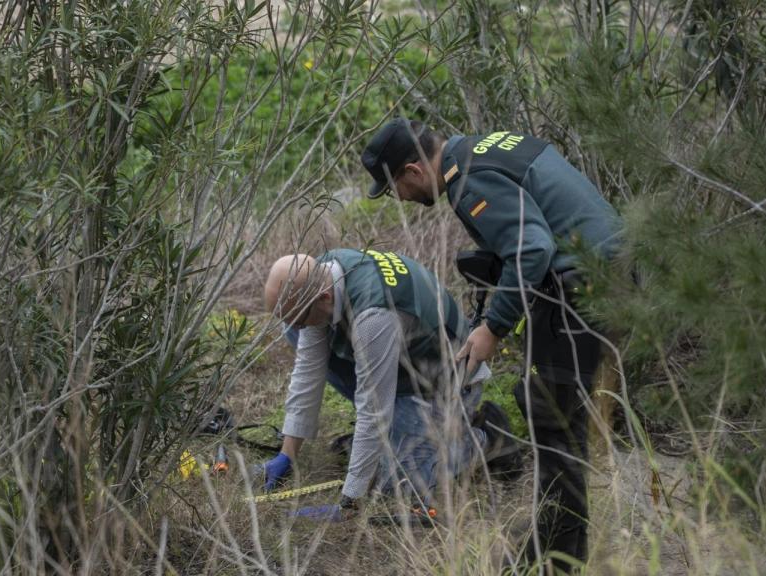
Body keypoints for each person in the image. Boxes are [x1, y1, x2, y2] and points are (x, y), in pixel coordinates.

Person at [361, 119, 622, 570]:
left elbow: (531, 249)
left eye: (394, 189)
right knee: (560, 419)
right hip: (606, 276)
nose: (401, 200)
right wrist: (486, 317)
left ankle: (556, 562)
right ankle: (553, 547)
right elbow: (523, 241)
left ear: (412, 170)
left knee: (554, 421)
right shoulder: (485, 149)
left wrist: (494, 327)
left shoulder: (467, 179)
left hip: (583, 288)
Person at [260, 248, 520, 519]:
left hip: (444, 382)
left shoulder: (373, 316)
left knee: (397, 485)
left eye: (299, 318)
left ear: (324, 297)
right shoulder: (323, 271)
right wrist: (287, 455)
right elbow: (308, 371)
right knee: (295, 333)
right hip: (401, 366)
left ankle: (486, 440)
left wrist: (350, 502)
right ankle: (394, 435)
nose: (296, 326)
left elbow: (373, 410)